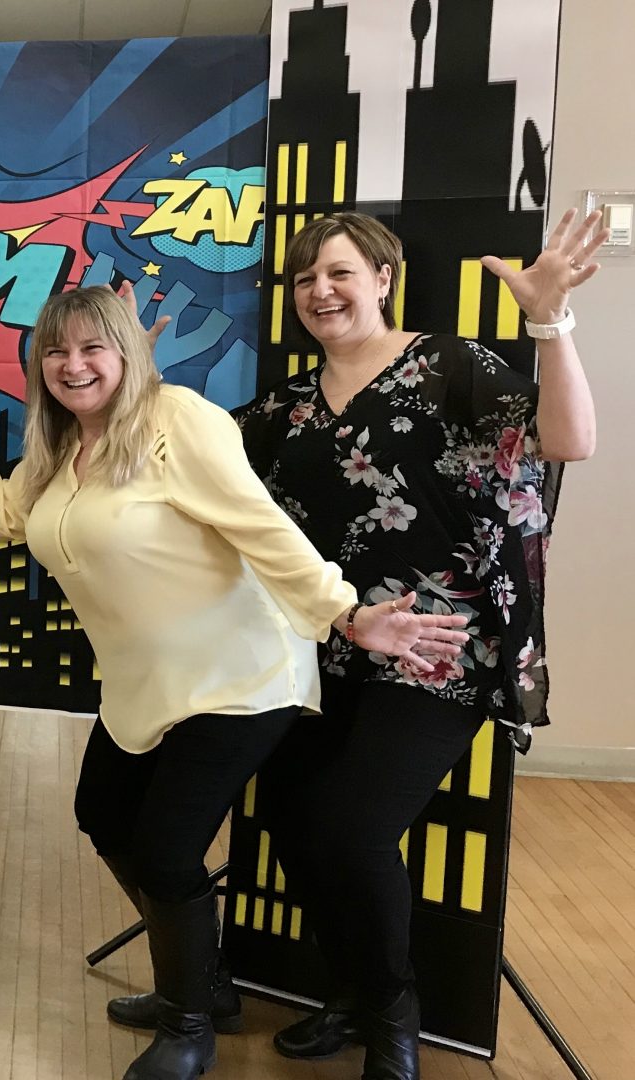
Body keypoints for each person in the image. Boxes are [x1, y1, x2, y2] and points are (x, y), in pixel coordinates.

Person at [0, 285, 468, 1080]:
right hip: (145, 684)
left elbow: (260, 523)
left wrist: (348, 612)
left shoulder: (177, 421)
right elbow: (6, 515)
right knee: (103, 814)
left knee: (166, 847)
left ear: (128, 354)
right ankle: (205, 985)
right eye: (58, 351)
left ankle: (188, 1027)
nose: (73, 366)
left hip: (239, 674)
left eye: (93, 347)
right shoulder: (57, 449)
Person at [235, 209, 603, 1080]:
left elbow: (568, 439)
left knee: (354, 827)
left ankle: (392, 1010)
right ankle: (352, 992)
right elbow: (203, 477)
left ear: (384, 276)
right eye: (304, 279)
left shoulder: (449, 364)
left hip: (437, 653)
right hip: (325, 648)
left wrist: (549, 323)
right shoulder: (283, 406)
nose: (320, 291)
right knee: (289, 818)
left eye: (340, 272)